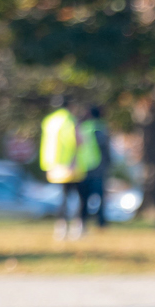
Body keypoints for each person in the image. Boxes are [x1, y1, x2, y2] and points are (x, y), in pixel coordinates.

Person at [38, 95, 82, 240]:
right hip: (68, 163)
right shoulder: (69, 120)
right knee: (74, 196)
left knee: (61, 196)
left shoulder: (49, 120)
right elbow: (76, 141)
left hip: (52, 163)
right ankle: (76, 226)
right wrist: (75, 160)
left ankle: (60, 227)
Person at [79, 105, 111, 228]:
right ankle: (101, 221)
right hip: (99, 168)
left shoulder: (83, 128)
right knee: (100, 196)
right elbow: (106, 149)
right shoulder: (101, 128)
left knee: (84, 197)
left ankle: (83, 220)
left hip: (84, 167)